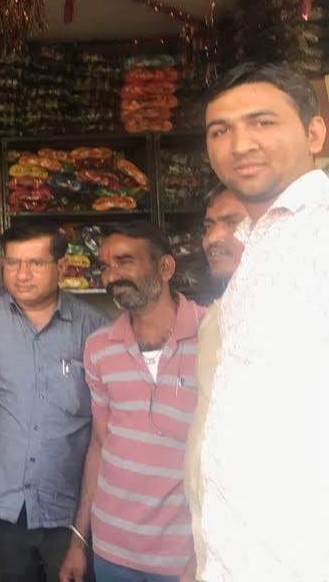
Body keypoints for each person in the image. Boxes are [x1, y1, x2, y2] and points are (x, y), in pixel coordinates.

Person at [197, 62, 328, 582]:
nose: (239, 144)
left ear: (314, 133)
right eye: (220, 130)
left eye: (262, 122)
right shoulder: (258, 244)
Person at [59, 221, 204, 582]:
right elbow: (100, 445)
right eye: (105, 266)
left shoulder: (213, 333)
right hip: (113, 550)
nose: (111, 276)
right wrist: (79, 540)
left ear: (165, 267)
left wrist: (206, 550)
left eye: (124, 261)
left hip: (187, 557)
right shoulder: (99, 346)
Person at [0, 224, 108, 582]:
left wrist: (82, 532)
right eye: (12, 263)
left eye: (35, 263)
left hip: (70, 515)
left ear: (61, 267)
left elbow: (106, 429)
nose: (22, 274)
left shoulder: (95, 330)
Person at [182, 187, 246, 581]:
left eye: (233, 223)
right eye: (208, 226)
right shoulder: (214, 318)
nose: (212, 238)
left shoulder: (306, 306)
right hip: (218, 543)